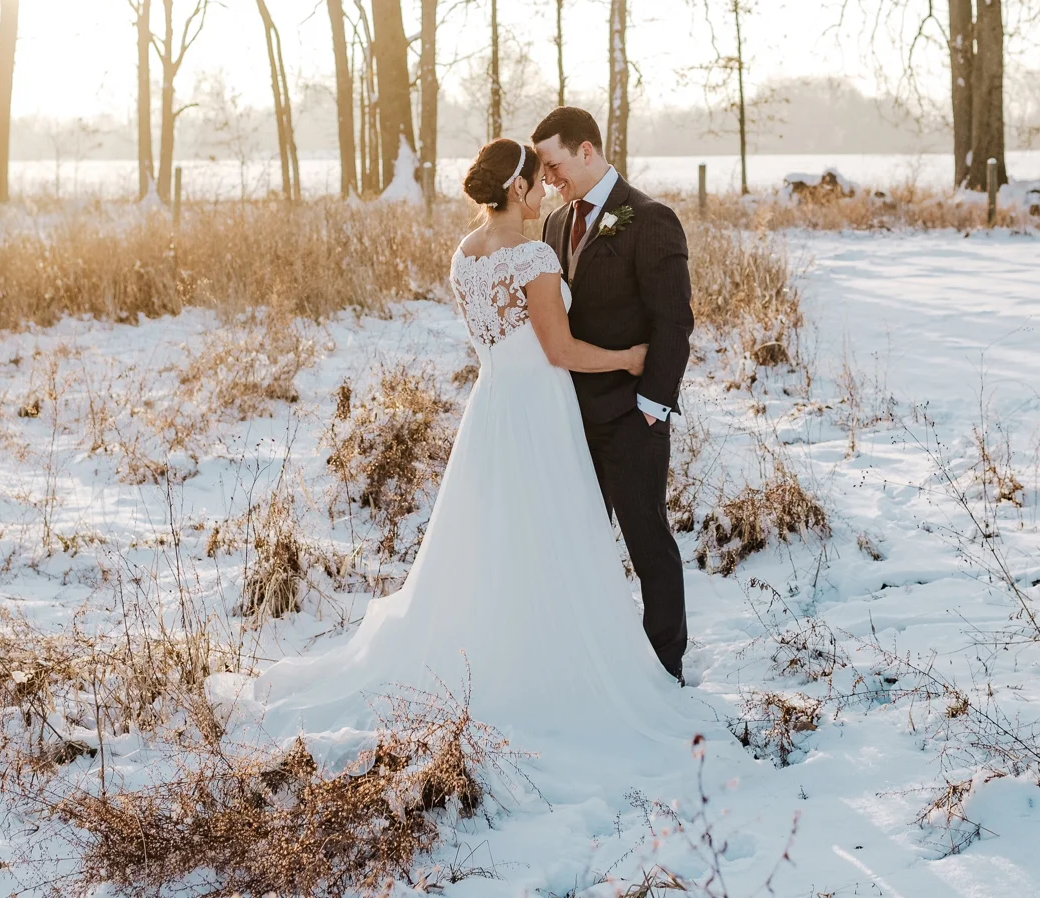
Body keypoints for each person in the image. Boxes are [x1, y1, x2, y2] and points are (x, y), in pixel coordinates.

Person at [247, 135, 708, 772]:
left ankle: (507, 649)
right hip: (539, 409)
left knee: (500, 540)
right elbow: (562, 352)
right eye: (537, 178)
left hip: (491, 406)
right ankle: (549, 668)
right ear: (518, 189)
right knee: (556, 537)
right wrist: (630, 359)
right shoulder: (534, 256)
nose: (547, 185)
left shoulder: (465, 254)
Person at [532, 106, 693, 682]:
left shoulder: (650, 219)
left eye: (552, 165)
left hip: (631, 414)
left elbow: (674, 321)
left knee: (648, 539)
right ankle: (595, 659)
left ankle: (665, 664)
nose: (546, 178)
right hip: (571, 414)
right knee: (581, 541)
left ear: (586, 150)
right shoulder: (552, 225)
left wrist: (651, 407)